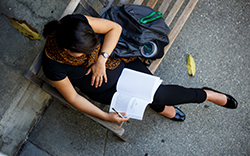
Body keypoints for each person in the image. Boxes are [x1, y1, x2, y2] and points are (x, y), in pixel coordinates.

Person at [42, 14, 238, 123]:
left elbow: (114, 29)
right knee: (155, 95)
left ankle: (205, 95)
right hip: (108, 91)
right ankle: (183, 100)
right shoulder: (53, 66)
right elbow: (73, 97)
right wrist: (105, 116)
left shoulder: (75, 24)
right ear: (67, 50)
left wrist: (101, 59)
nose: (89, 54)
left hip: (121, 64)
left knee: (156, 95)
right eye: (83, 54)